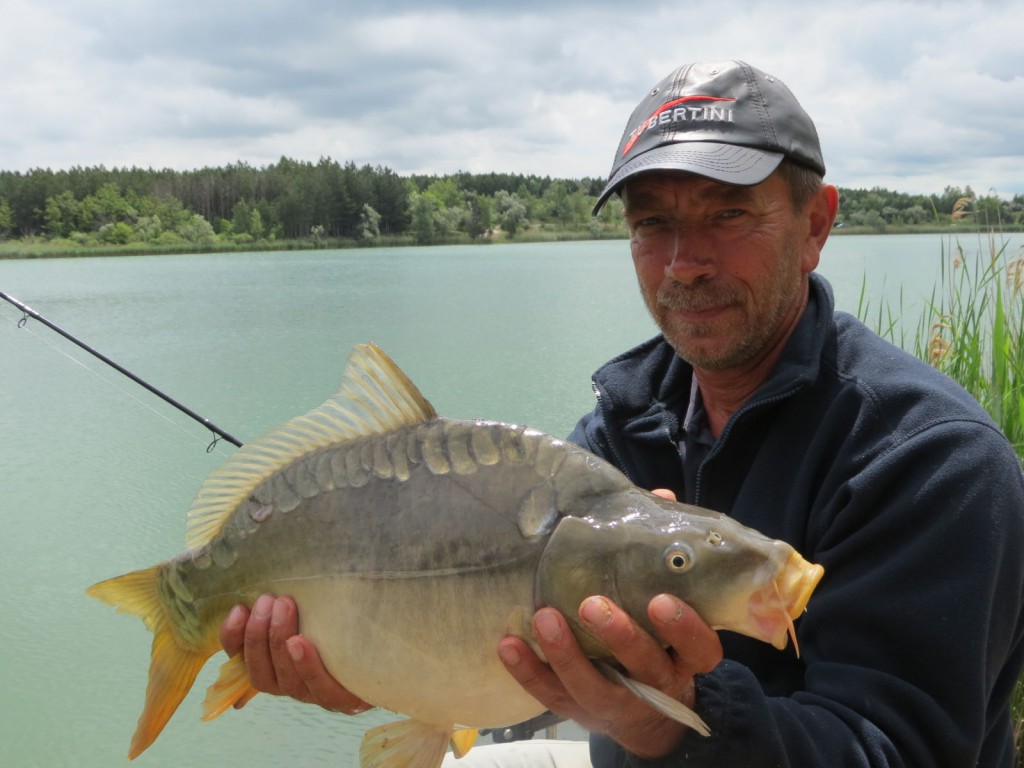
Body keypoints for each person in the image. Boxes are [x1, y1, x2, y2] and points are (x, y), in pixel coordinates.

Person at [220, 60, 1024, 766]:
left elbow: (895, 749)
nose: (685, 262)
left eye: (727, 214)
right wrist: (376, 662)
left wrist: (672, 722)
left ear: (815, 225)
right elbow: (528, 667)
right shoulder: (622, 429)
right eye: (653, 224)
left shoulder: (934, 462)